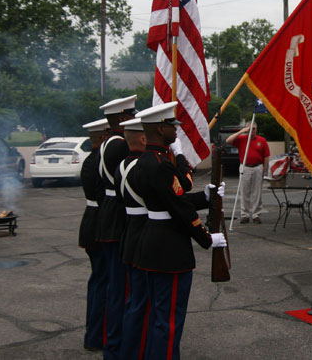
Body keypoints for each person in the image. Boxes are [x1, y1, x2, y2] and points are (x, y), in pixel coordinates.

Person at [132, 102, 226, 359]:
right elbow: (179, 208)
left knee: (158, 316)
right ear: (161, 129)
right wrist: (206, 238)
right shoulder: (161, 165)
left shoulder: (145, 161)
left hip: (152, 242)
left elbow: (172, 200)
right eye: (172, 127)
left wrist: (205, 197)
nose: (176, 131)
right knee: (169, 320)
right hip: (169, 249)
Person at [95, 94, 136, 359]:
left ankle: (113, 340)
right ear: (122, 119)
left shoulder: (108, 140)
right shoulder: (120, 144)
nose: (135, 121)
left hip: (108, 212)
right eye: (131, 116)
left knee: (115, 286)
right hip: (118, 214)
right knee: (120, 288)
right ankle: (116, 343)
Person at [117, 117, 148, 360]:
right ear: (143, 138)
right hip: (143, 236)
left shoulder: (123, 165)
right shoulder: (142, 166)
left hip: (130, 233)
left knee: (134, 302)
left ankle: (129, 351)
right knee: (140, 303)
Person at [78, 117, 109, 352]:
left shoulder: (92, 158)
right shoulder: (100, 160)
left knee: (98, 281)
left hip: (92, 221)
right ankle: (98, 335)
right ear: (103, 137)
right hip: (101, 224)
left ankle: (95, 334)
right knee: (103, 283)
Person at [226, 121, 270, 224]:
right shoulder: (241, 139)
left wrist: (264, 170)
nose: (252, 131)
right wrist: (241, 131)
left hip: (258, 167)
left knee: (257, 192)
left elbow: (266, 156)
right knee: (244, 191)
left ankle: (255, 214)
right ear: (247, 129)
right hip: (245, 167)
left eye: (254, 129)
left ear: (256, 129)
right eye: (250, 129)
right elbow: (228, 141)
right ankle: (244, 214)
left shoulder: (262, 140)